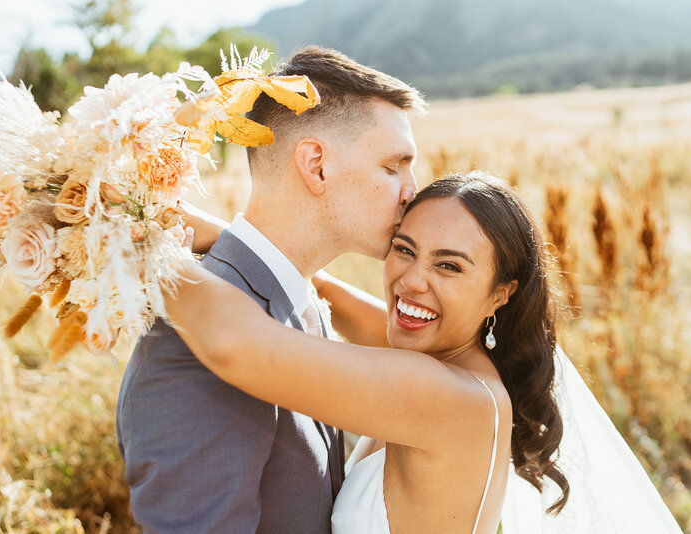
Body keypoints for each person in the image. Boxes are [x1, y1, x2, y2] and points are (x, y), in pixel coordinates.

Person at [115, 46, 425, 533]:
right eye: (393, 166)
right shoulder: (192, 345)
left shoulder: (300, 295)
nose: (413, 190)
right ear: (316, 165)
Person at [165, 172, 570, 533]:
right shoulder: (443, 353)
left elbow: (232, 345)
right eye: (405, 249)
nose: (411, 282)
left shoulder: (446, 397)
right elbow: (314, 285)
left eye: (449, 266)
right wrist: (162, 215)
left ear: (501, 293)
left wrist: (156, 256)